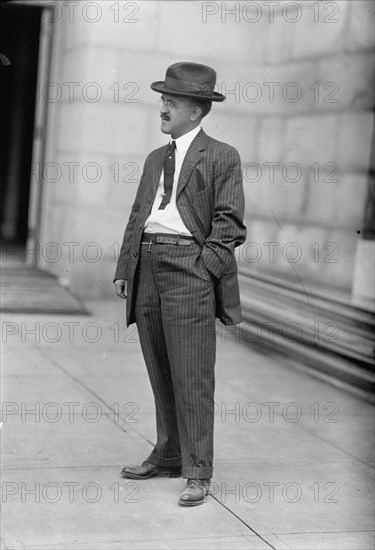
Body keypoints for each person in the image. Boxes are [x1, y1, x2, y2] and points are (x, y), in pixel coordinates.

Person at [114, 62, 246, 506]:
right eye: (162, 100)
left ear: (196, 109)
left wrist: (203, 268)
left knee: (192, 375)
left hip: (188, 268)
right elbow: (138, 215)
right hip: (147, 265)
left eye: (170, 102)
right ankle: (168, 453)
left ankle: (198, 470)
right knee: (161, 369)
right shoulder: (156, 158)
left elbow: (229, 224)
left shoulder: (222, 156)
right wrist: (125, 267)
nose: (162, 108)